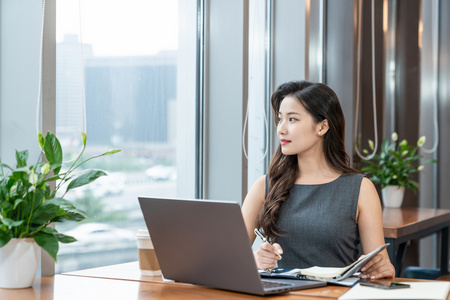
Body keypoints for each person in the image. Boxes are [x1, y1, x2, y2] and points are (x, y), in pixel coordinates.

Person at [242, 80, 395, 280]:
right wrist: (255, 258)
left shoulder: (360, 189)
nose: (281, 129)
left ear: (322, 127)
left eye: (292, 119)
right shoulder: (265, 186)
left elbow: (379, 264)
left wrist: (384, 269)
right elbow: (228, 254)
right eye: (280, 119)